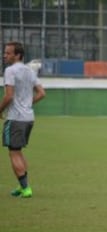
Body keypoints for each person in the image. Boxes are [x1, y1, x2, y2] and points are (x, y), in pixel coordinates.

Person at [0, 41, 46, 198]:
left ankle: (26, 188)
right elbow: (41, 93)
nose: (4, 55)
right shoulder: (29, 70)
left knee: (13, 152)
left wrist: (0, 110)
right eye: (4, 52)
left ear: (17, 55)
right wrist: (27, 104)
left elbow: (8, 96)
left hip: (15, 118)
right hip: (28, 118)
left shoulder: (10, 71)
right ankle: (22, 186)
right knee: (17, 151)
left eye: (8, 53)